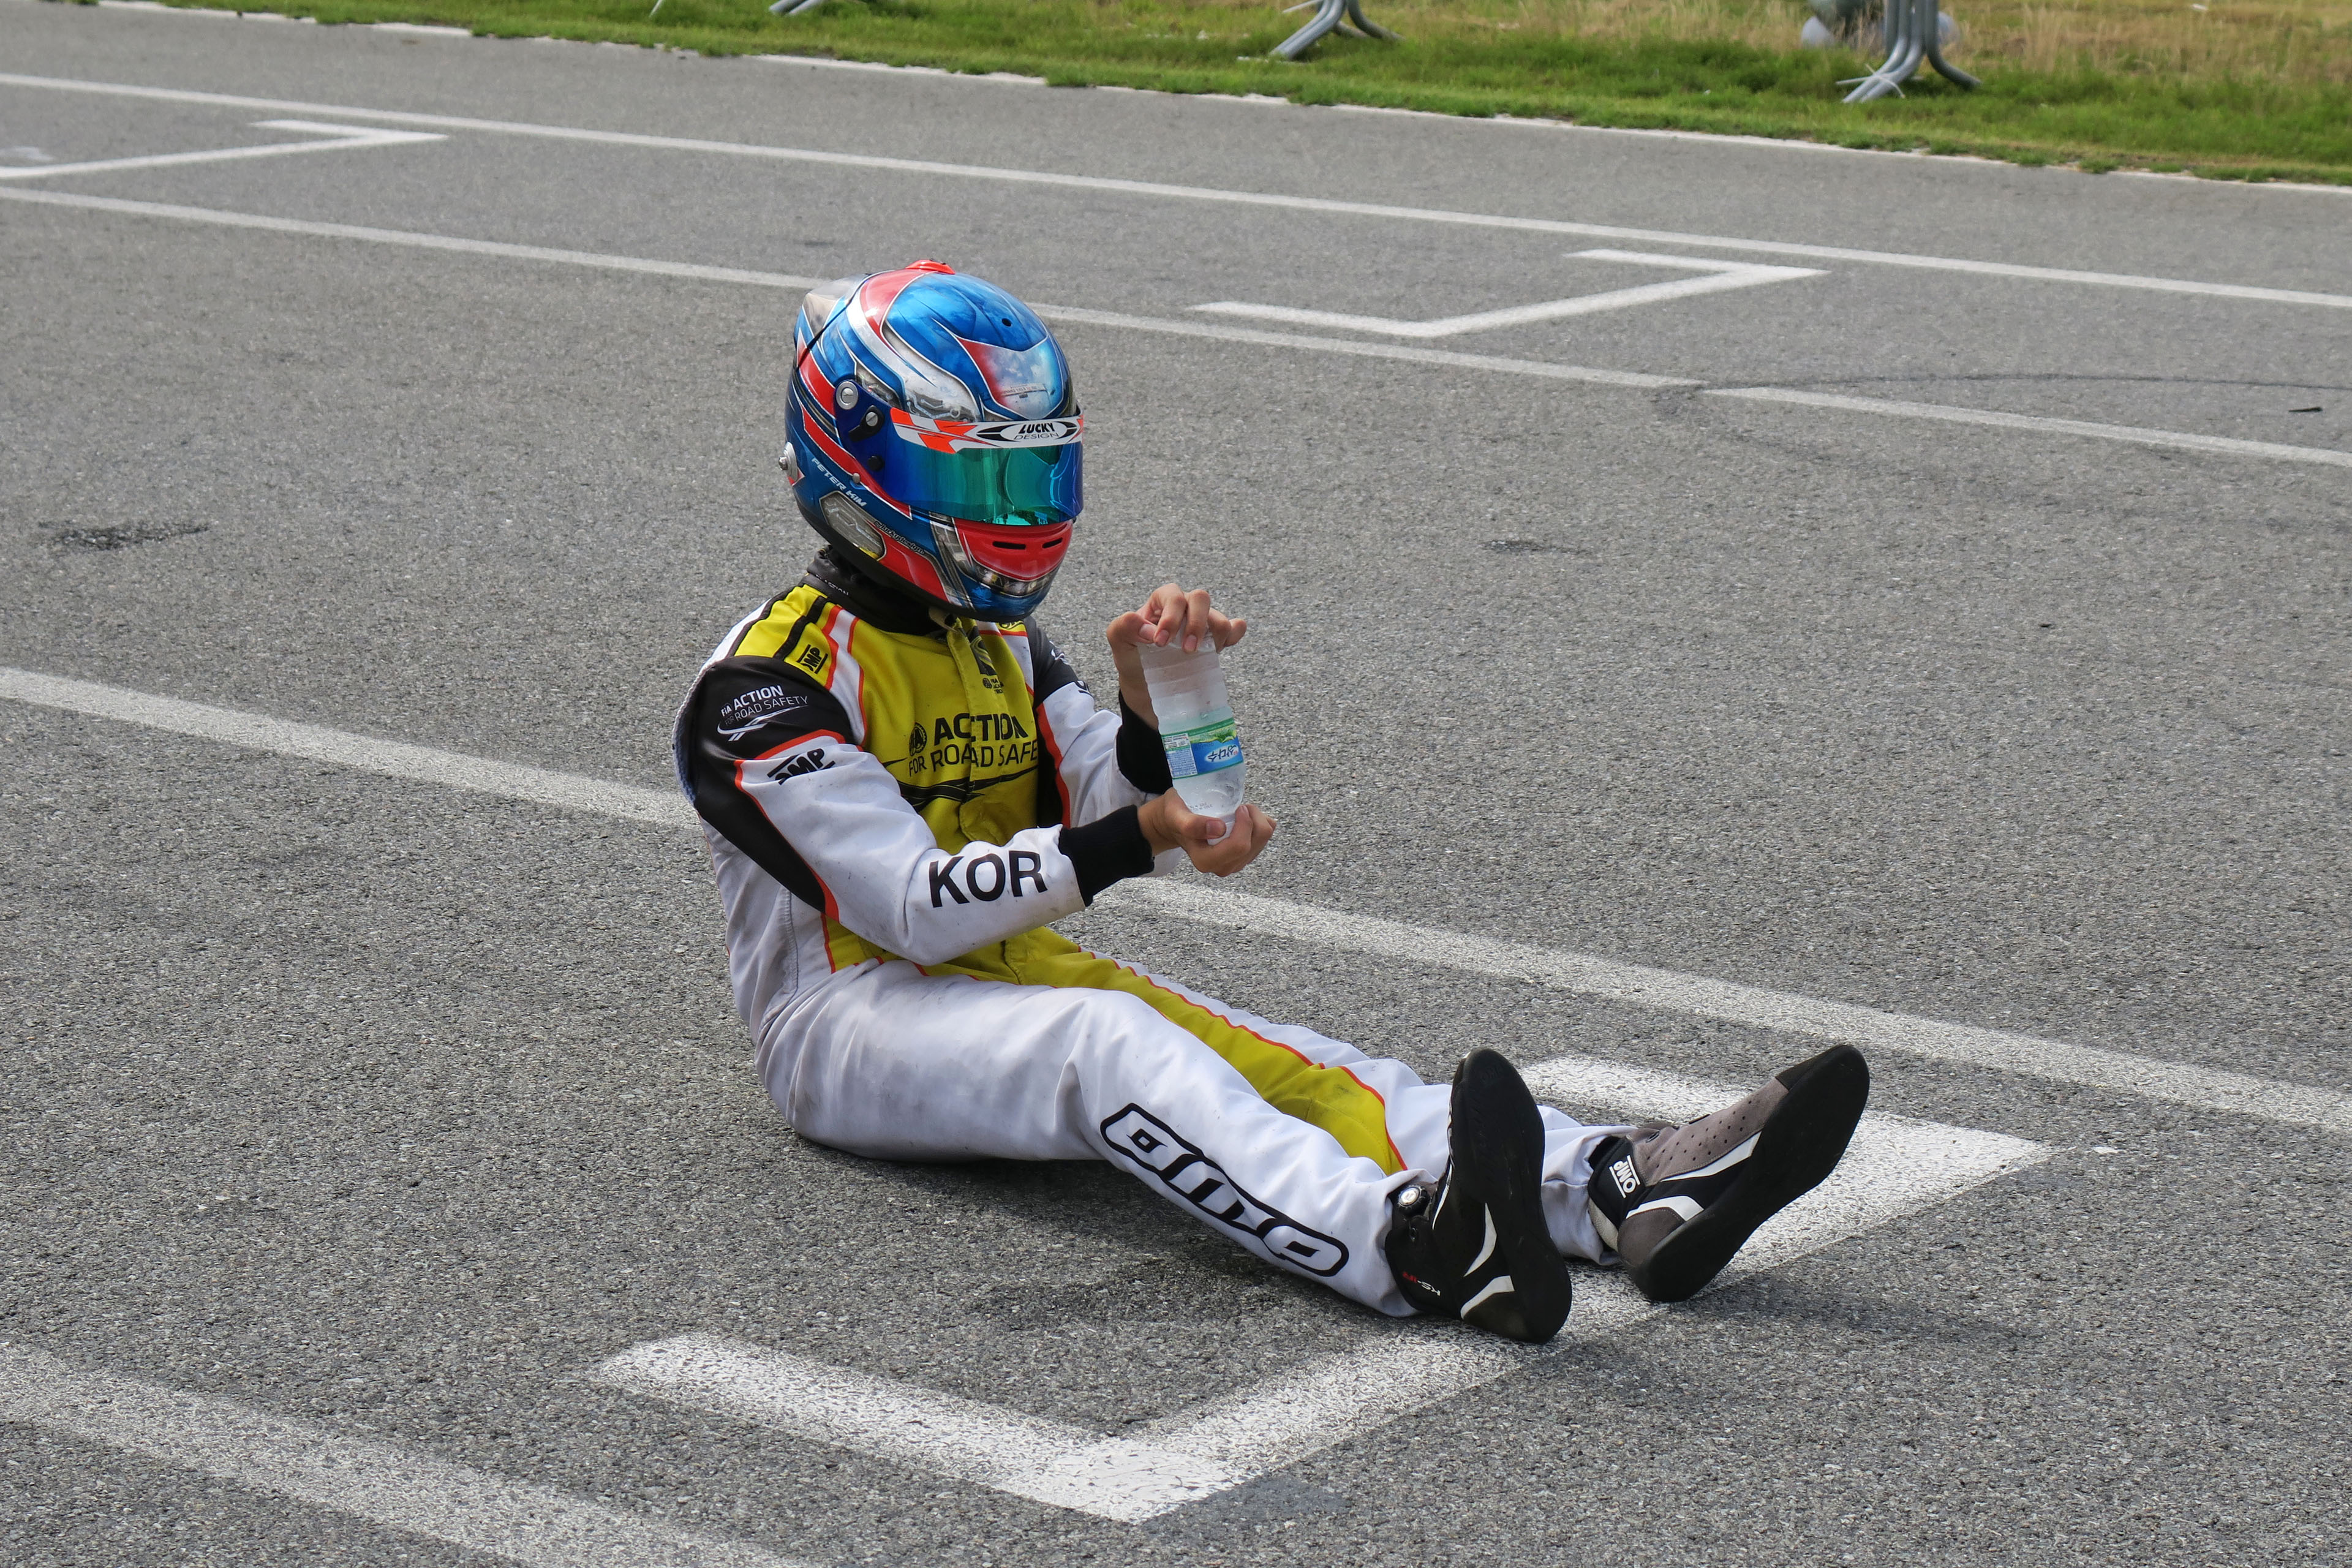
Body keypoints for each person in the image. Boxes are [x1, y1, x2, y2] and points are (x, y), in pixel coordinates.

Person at [674, 262, 1869, 1343]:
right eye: (982, 474)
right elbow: (914, 908)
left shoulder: (997, 644)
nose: (1021, 510)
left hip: (1002, 971)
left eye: (1036, 471)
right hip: (845, 1018)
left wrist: (1157, 706)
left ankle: (1619, 1185)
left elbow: (1125, 801)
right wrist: (1138, 833)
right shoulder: (764, 689)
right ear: (865, 464)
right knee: (1114, 1046)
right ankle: (1412, 1244)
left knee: (1290, 1062)